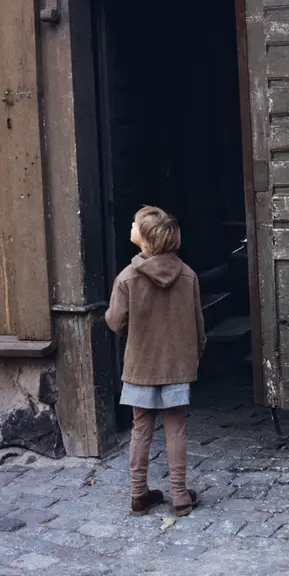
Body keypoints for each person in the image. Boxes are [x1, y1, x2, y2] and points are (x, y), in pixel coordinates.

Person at [105, 205, 206, 517]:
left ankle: (139, 494)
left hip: (141, 364)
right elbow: (198, 325)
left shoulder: (127, 278)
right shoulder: (188, 275)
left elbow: (115, 321)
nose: (131, 226)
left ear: (145, 238)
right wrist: (195, 355)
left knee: (141, 427)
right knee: (176, 427)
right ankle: (180, 495)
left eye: (134, 224)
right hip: (177, 364)